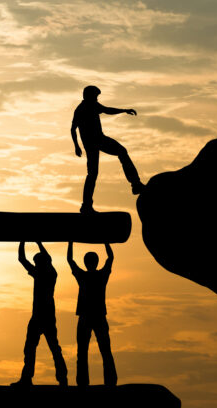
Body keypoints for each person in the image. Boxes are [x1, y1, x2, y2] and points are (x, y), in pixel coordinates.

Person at [71, 86, 144, 214]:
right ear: (89, 96)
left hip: (97, 140)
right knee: (94, 173)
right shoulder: (81, 109)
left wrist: (124, 110)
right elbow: (73, 128)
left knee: (119, 154)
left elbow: (107, 110)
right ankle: (86, 205)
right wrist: (76, 146)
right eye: (95, 96)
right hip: (95, 141)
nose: (96, 99)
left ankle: (135, 184)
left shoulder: (92, 104)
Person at [13, 242, 68, 387]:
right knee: (35, 347)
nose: (35, 264)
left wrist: (25, 241)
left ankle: (61, 377)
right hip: (41, 316)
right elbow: (23, 259)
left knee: (49, 347)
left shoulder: (47, 273)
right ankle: (58, 378)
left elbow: (22, 258)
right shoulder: (46, 273)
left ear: (41, 263)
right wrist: (35, 241)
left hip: (43, 316)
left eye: (36, 262)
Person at [67, 242, 117, 387]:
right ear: (96, 262)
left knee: (82, 353)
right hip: (99, 316)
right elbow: (111, 258)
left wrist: (70, 242)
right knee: (105, 350)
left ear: (86, 263)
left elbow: (70, 260)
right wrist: (106, 242)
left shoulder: (82, 276)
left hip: (85, 317)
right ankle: (110, 382)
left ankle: (83, 383)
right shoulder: (102, 275)